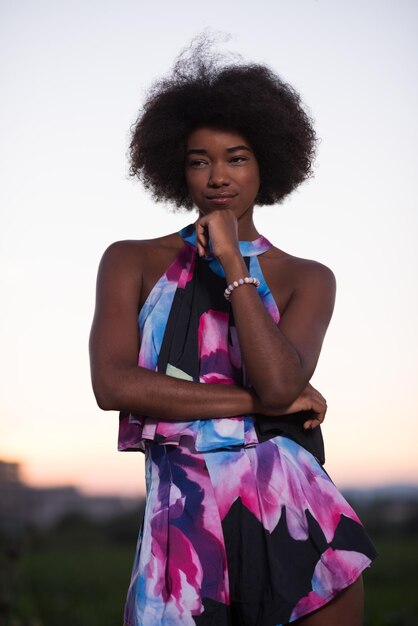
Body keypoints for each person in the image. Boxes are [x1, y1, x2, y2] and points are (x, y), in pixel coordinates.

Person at [89, 38, 377, 626]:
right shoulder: (131, 260)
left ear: (266, 163)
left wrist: (233, 262)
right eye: (200, 160)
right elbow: (113, 385)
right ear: (178, 166)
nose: (218, 176)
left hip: (293, 513)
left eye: (237, 157)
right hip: (182, 521)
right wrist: (258, 403)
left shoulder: (306, 278)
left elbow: (278, 383)